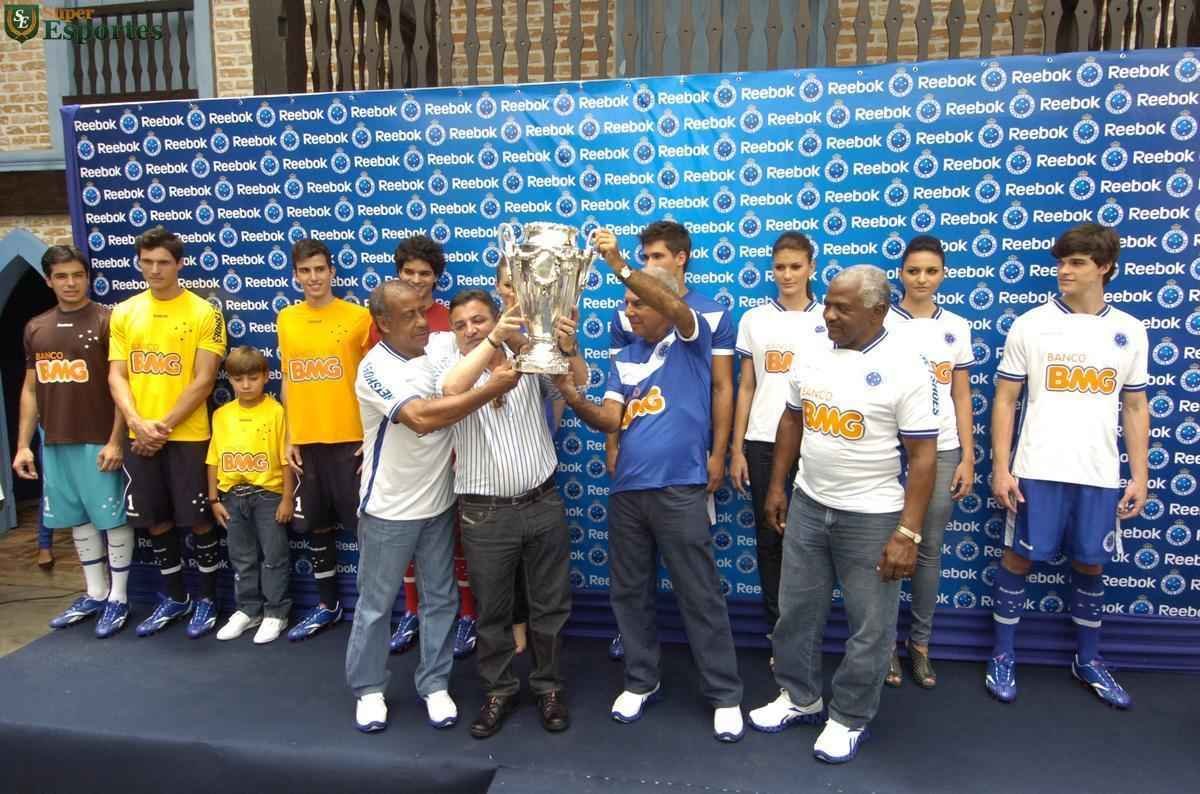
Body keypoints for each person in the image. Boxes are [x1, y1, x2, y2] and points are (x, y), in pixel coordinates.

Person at [558, 229, 745, 744]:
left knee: (699, 593)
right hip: (628, 492)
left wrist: (619, 263)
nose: (630, 310)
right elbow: (608, 420)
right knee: (630, 591)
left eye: (639, 302)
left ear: (666, 301)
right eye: (626, 302)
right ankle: (642, 680)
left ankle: (725, 694)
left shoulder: (692, 336)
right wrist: (570, 394)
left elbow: (669, 304)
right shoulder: (625, 357)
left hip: (680, 486)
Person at [748, 265, 938, 764]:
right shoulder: (812, 353)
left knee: (870, 627)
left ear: (877, 311)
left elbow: (923, 458)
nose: (828, 314)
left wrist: (908, 532)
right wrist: (777, 486)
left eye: (841, 308)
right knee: (796, 613)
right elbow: (792, 419)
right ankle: (800, 696)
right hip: (809, 506)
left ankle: (849, 717)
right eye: (828, 303)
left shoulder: (908, 366)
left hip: (872, 517)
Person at [346, 281, 519, 734]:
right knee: (375, 604)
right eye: (409, 316)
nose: (423, 322)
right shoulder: (375, 369)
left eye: (424, 311)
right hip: (389, 508)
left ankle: (435, 683)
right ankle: (368, 689)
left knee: (441, 598)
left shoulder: (438, 344)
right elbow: (423, 418)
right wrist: (489, 389)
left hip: (439, 504)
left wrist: (517, 308)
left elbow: (483, 335)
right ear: (383, 323)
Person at [987, 224, 1148, 709]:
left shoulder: (1129, 330)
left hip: (1098, 474)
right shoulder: (1032, 325)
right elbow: (1006, 398)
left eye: (1076, 262)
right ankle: (1003, 654)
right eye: (1062, 262)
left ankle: (1089, 660)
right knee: (1019, 558)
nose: (1064, 271)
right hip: (1037, 467)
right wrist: (1001, 466)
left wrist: (1139, 475)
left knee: (1090, 562)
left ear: (1103, 268)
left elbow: (1135, 407)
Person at [435, 290, 586, 738]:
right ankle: (498, 691)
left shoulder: (527, 359)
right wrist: (491, 345)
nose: (470, 330)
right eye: (460, 324)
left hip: (542, 502)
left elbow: (579, 381)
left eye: (479, 320)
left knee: (550, 607)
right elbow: (449, 391)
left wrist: (565, 347)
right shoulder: (449, 368)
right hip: (485, 515)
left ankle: (548, 687)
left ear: (497, 319)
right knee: (493, 613)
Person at [604, 220, 736, 661]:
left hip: (684, 469)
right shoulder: (627, 318)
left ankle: (721, 684)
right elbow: (620, 394)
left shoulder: (707, 314)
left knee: (696, 581)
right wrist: (611, 445)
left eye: (656, 257)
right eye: (643, 259)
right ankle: (639, 662)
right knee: (630, 581)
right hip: (633, 477)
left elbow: (721, 387)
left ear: (680, 259)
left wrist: (718, 451)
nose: (647, 265)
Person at [108, 227, 226, 638]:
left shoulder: (204, 312)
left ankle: (207, 600)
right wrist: (138, 424)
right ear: (139, 263)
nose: (155, 270)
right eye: (147, 262)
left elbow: (204, 379)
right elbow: (116, 376)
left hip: (187, 435)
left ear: (179, 264)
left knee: (198, 521)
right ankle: (175, 597)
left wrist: (163, 426)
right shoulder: (124, 312)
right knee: (155, 521)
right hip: (140, 435)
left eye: (163, 262)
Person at [13, 245, 134, 637]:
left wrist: (117, 440)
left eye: (77, 275)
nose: (70, 283)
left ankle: (119, 597)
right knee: (76, 519)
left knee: (111, 518)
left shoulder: (108, 320)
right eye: (61, 276)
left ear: (88, 277)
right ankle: (95, 592)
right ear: (48, 280)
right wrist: (24, 444)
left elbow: (123, 387)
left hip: (98, 439)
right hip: (55, 440)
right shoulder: (35, 326)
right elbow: (31, 390)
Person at [882, 236, 976, 688]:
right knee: (883, 547)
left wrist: (968, 456)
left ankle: (919, 645)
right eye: (913, 270)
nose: (921, 279)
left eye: (931, 271)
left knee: (927, 548)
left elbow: (961, 393)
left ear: (942, 275)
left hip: (941, 450)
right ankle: (883, 648)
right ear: (901, 273)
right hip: (887, 448)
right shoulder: (881, 322)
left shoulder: (956, 326)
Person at [382, 235, 479, 661]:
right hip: (405, 445)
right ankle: (411, 612)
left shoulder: (450, 320)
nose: (417, 281)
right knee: (407, 534)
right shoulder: (383, 322)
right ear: (398, 275)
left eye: (425, 275)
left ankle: (468, 615)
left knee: (455, 536)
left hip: (452, 441)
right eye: (409, 273)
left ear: (437, 280)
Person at [728, 232, 822, 655]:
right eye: (780, 266)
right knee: (771, 541)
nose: (787, 274)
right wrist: (736, 448)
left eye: (795, 266)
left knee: (814, 545)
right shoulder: (754, 319)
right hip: (762, 442)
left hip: (817, 444)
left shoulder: (830, 319)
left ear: (811, 268)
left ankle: (807, 636)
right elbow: (745, 386)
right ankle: (778, 635)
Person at [277, 238, 372, 641]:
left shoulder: (359, 317)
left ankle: (371, 612)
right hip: (307, 441)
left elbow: (373, 379)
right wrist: (290, 434)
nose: (313, 278)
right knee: (316, 528)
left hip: (350, 439)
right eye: (305, 271)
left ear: (332, 271)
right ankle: (327, 605)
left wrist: (372, 435)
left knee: (363, 529)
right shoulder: (286, 319)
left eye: (320, 269)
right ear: (296, 275)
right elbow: (288, 379)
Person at [207, 346, 294, 644]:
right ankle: (248, 609)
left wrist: (287, 498)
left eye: (253, 378)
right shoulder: (221, 415)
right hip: (231, 495)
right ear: (229, 380)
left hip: (268, 494)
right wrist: (213, 499)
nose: (246, 385)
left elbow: (286, 460)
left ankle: (275, 613)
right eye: (238, 379)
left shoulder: (277, 412)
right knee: (242, 558)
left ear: (266, 377)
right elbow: (213, 459)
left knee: (274, 556)